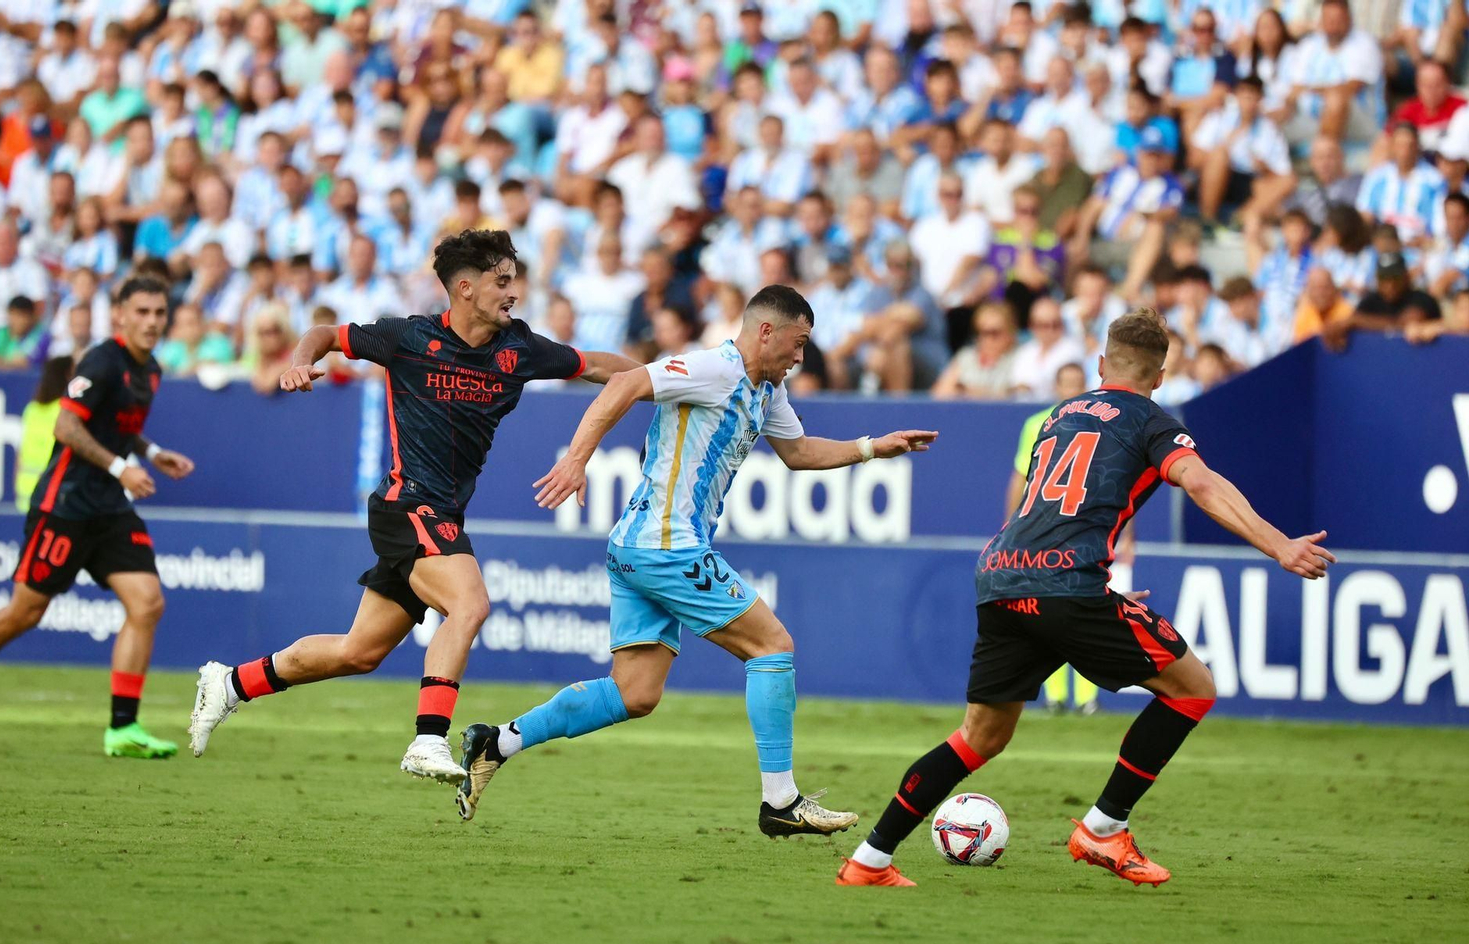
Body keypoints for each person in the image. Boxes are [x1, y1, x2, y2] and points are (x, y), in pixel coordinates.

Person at [836, 307, 1336, 887]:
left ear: (1101, 364)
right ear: (1160, 376)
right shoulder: (1153, 423)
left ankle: (869, 860)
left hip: (1001, 575)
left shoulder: (1059, 415)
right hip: (1065, 586)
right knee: (1193, 689)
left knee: (981, 735)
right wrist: (1278, 545)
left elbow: (1048, 505)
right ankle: (1102, 830)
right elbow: (1200, 482)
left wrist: (1089, 590)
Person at [450, 286, 938, 834]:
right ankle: (780, 801)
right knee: (772, 645)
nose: (801, 358)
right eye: (797, 344)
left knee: (634, 694)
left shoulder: (766, 391)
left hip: (637, 549)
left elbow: (799, 452)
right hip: (666, 545)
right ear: (765, 332)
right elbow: (628, 382)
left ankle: (497, 742)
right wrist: (577, 460)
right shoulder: (713, 368)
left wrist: (874, 447)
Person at [187, 230, 637, 779]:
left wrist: (659, 379)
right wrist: (299, 362)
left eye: (513, 279)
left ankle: (230, 683)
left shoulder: (520, 348)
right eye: (501, 280)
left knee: (359, 651)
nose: (512, 291)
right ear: (464, 288)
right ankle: (428, 740)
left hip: (441, 514)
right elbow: (326, 332)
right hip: (406, 505)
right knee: (469, 605)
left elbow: (593, 364)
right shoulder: (408, 337)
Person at [0, 276, 197, 758]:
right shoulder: (102, 361)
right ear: (120, 315)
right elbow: (67, 426)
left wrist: (152, 451)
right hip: (63, 506)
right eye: (141, 312)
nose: (151, 322)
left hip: (108, 507)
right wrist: (122, 466)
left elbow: (116, 428)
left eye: (159, 313)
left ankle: (122, 728)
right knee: (25, 612)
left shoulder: (151, 372)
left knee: (146, 603)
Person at [1006, 362, 1101, 715]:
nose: (1072, 390)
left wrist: (1126, 534)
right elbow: (1021, 476)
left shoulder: (1098, 424)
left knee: (1086, 609)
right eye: (1067, 384)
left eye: (1078, 384)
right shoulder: (1037, 423)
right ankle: (1056, 694)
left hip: (1085, 527)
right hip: (1043, 529)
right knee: (1050, 610)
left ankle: (1087, 697)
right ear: (1057, 387)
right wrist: (1010, 529)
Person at [14, 356, 75, 510]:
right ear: (67, 376)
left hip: (25, 491)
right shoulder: (65, 411)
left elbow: (20, 454)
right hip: (50, 493)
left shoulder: (32, 409)